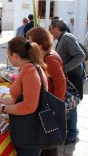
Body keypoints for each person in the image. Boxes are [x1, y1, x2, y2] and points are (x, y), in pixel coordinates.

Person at [0, 37, 48, 156]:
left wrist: (2, 109)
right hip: (30, 130)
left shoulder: (30, 71)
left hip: (30, 134)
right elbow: (23, 97)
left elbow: (28, 106)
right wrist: (3, 101)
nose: (8, 57)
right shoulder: (29, 67)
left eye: (8, 54)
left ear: (15, 55)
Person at [27, 27, 66, 156]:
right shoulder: (45, 54)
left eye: (30, 41)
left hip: (50, 105)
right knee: (46, 138)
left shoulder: (50, 58)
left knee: (49, 139)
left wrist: (55, 106)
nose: (28, 45)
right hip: (47, 103)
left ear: (39, 44)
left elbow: (61, 82)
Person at [49, 18, 85, 145]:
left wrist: (64, 69)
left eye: (51, 30)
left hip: (73, 76)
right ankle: (72, 130)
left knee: (71, 107)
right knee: (70, 107)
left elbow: (81, 56)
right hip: (70, 76)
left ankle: (72, 135)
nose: (50, 32)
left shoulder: (67, 38)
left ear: (56, 29)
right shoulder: (62, 38)